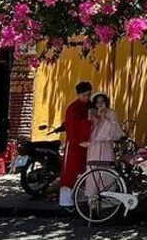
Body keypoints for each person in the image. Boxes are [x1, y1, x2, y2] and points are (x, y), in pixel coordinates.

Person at [59, 81, 92, 210]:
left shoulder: (90, 105)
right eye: (84, 95)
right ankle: (66, 202)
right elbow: (71, 128)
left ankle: (81, 198)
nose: (86, 98)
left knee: (84, 170)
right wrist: (78, 141)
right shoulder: (72, 108)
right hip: (74, 145)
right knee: (71, 172)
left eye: (88, 95)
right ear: (78, 94)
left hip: (88, 145)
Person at [87, 93, 123, 165]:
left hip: (107, 148)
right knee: (93, 169)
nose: (100, 104)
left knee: (106, 170)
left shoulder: (111, 113)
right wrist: (95, 120)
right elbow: (89, 130)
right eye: (97, 102)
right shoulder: (91, 113)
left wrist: (104, 118)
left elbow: (116, 132)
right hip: (93, 147)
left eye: (102, 102)